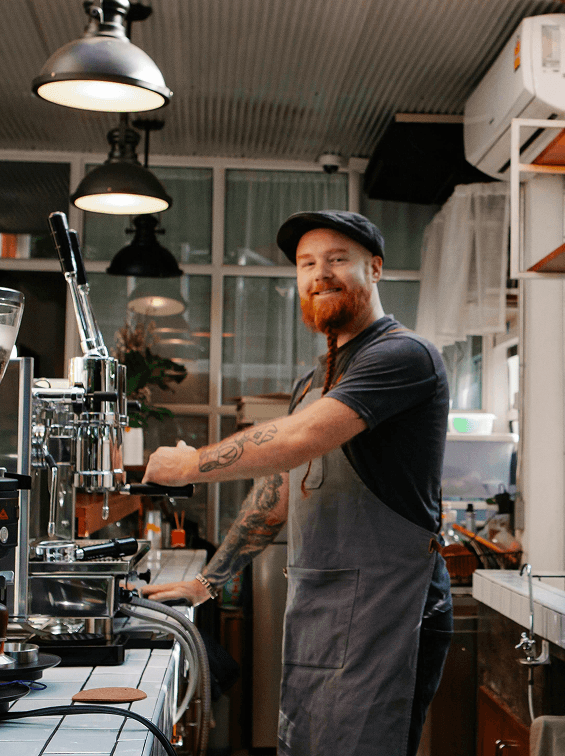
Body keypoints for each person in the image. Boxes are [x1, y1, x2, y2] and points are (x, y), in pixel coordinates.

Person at [140, 211, 452, 756]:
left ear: (374, 268)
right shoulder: (316, 379)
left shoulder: (403, 355)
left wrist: (192, 466)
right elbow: (279, 491)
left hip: (387, 608)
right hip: (320, 605)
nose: (318, 275)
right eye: (307, 264)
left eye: (336, 260)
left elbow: (301, 438)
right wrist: (209, 582)